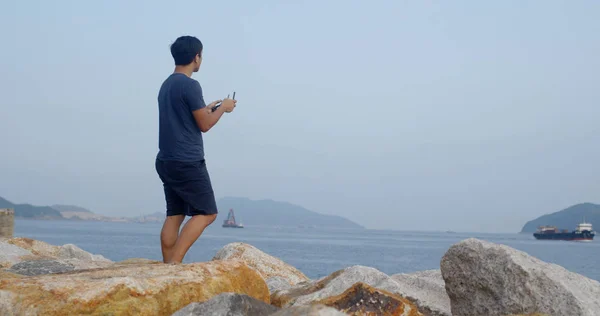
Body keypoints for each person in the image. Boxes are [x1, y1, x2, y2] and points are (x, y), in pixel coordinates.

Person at [155, 35, 236, 264]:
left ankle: (167, 264)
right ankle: (174, 265)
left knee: (175, 214)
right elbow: (205, 124)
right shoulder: (191, 85)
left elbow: (187, 116)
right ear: (196, 57)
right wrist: (224, 108)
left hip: (166, 159)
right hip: (187, 160)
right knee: (207, 213)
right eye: (201, 56)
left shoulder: (167, 84)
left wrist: (208, 107)